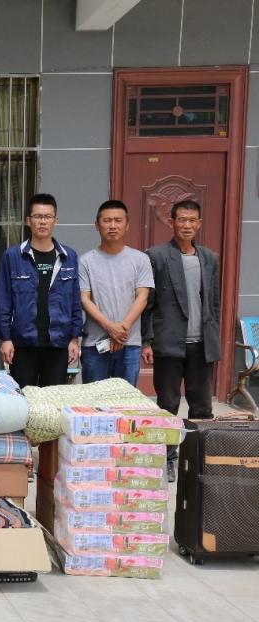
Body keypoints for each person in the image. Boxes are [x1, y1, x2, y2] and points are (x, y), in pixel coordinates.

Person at [142, 199, 221, 481]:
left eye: (192, 220)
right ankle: (168, 459)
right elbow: (147, 303)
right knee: (168, 403)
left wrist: (213, 336)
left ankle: (200, 460)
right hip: (169, 342)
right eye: (182, 220)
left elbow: (214, 302)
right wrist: (147, 341)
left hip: (202, 344)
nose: (187, 225)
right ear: (172, 222)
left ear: (199, 224)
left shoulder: (209, 258)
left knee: (202, 406)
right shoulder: (157, 256)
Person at [0, 193, 82, 388]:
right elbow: (3, 301)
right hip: (22, 343)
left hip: (58, 342)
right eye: (37, 216)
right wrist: (6, 339)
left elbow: (75, 300)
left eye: (47, 217)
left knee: (53, 400)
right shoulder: (13, 256)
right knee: (23, 398)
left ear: (55, 220)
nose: (42, 222)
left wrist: (74, 338)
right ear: (28, 221)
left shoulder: (68, 256)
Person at [79, 200, 153, 385]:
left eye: (118, 220)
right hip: (95, 345)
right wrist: (111, 328)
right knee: (93, 399)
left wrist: (122, 330)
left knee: (126, 400)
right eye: (107, 220)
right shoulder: (85, 261)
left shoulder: (141, 259)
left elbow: (142, 297)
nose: (113, 226)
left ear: (127, 225)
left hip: (129, 343)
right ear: (97, 225)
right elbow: (84, 299)